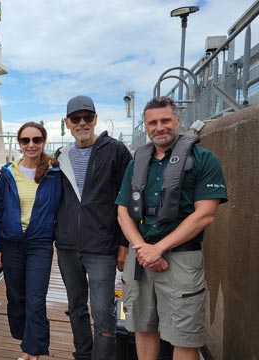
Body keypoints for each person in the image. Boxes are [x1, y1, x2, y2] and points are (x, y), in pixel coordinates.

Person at [115, 96, 227, 360]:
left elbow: (205, 214)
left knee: (184, 336)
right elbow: (122, 210)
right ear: (146, 126)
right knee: (141, 326)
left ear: (177, 120)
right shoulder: (136, 163)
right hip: (140, 258)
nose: (159, 127)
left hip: (181, 260)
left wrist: (160, 249)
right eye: (152, 122)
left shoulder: (204, 160)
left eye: (165, 120)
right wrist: (143, 249)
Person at [54, 95, 132, 360]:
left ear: (96, 119)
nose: (82, 123)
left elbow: (128, 200)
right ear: (67, 123)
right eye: (76, 119)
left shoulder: (116, 150)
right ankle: (82, 355)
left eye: (88, 117)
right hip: (66, 247)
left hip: (101, 247)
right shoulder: (61, 155)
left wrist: (123, 245)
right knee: (76, 308)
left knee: (102, 313)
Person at [0, 122, 62, 360]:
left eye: (36, 140)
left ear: (43, 141)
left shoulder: (55, 173)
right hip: (11, 243)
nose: (31, 145)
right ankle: (28, 341)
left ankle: (32, 351)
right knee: (17, 297)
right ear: (19, 144)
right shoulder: (8, 173)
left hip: (40, 243)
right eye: (25, 141)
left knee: (35, 297)